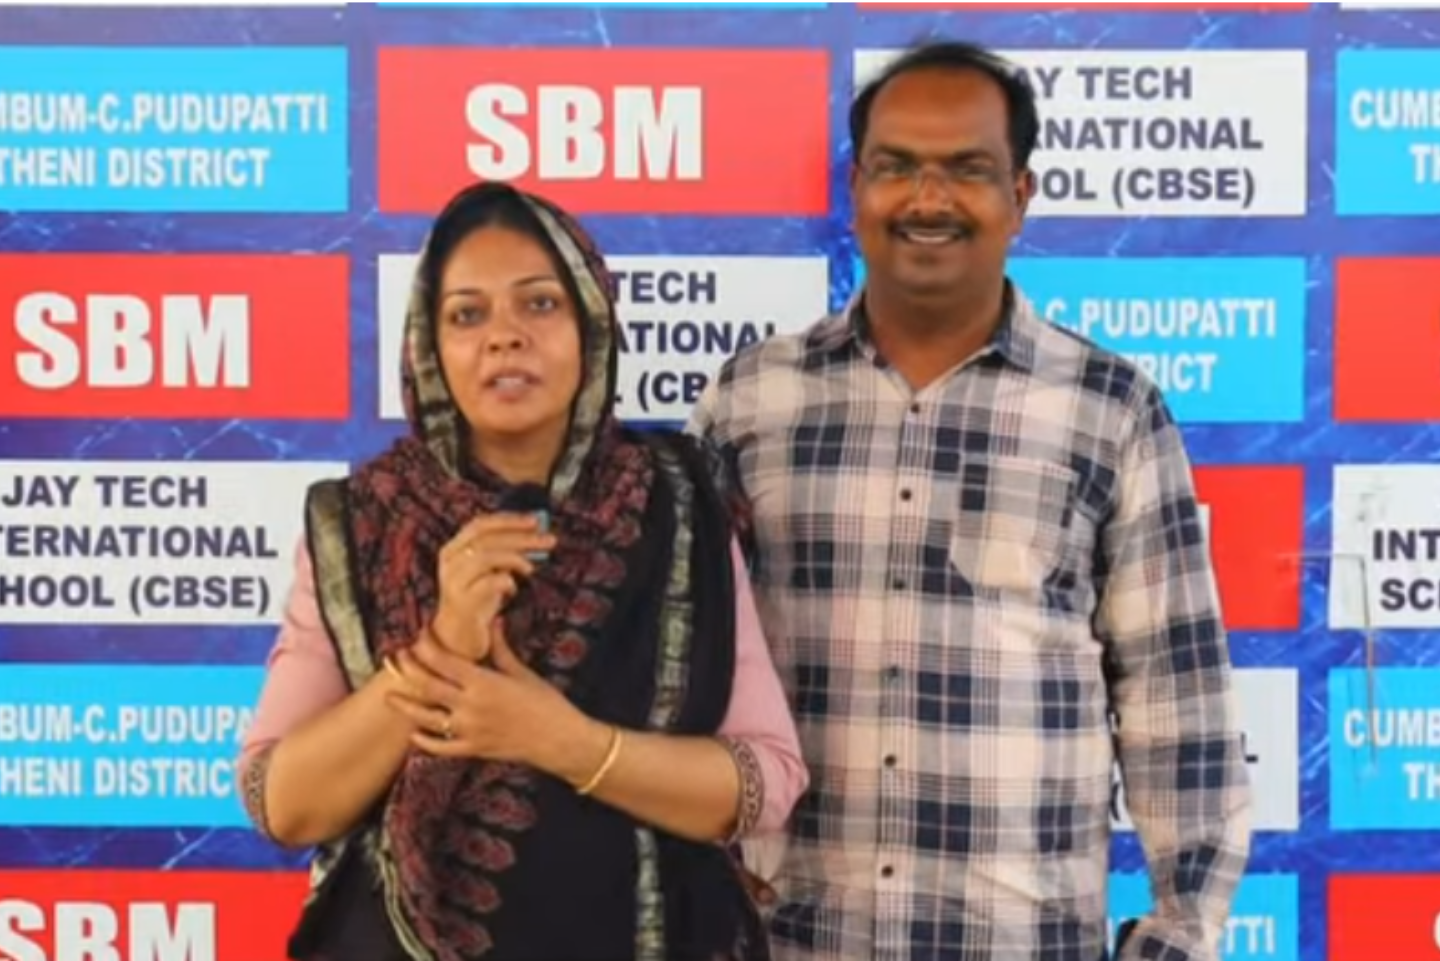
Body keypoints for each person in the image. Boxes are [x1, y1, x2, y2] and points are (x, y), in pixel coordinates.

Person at [687, 39, 1252, 961]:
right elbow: (686, 670)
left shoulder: (1108, 409)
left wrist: (1176, 937)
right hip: (790, 939)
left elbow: (1178, 706)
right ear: (855, 188)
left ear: (1020, 195)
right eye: (896, 166)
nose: (928, 198)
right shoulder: (751, 400)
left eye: (968, 169)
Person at [237, 181, 808, 961]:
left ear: (591, 325)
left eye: (539, 304)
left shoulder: (681, 502)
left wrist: (565, 740)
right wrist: (441, 646)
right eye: (467, 314)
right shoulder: (360, 523)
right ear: (429, 345)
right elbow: (284, 804)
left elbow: (765, 780)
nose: (504, 337)